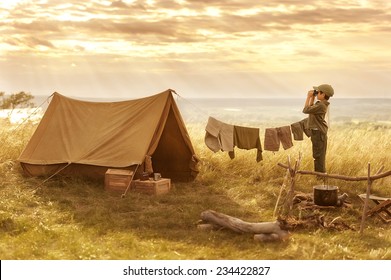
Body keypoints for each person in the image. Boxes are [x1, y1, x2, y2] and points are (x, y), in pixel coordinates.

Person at [303, 84, 334, 174]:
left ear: (323, 94)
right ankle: (319, 176)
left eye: (318, 92)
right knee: (318, 155)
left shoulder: (321, 106)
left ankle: (320, 177)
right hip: (317, 133)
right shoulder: (320, 104)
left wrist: (308, 97)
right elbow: (311, 107)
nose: (316, 94)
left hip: (318, 133)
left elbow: (306, 110)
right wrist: (312, 98)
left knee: (318, 156)